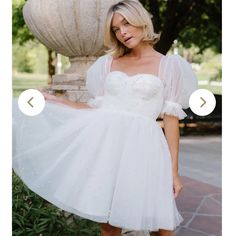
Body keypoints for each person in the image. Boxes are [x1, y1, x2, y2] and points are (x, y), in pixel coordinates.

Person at [12, 0, 198, 235]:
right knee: (109, 227)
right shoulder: (107, 64)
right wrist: (58, 101)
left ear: (142, 21)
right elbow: (99, 109)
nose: (123, 33)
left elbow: (171, 122)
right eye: (116, 29)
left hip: (145, 149)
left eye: (126, 24)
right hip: (108, 149)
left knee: (160, 226)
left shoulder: (170, 66)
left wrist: (174, 172)